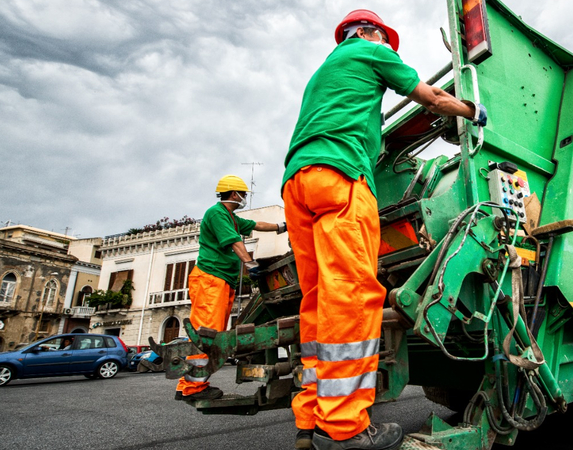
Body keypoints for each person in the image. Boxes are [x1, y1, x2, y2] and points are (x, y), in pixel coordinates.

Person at [282, 10, 487, 450]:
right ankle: (345, 429)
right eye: (387, 41)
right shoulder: (372, 51)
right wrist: (474, 110)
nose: (389, 49)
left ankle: (311, 419)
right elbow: (430, 97)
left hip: (298, 184)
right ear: (371, 33)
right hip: (341, 178)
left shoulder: (324, 72)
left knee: (317, 302)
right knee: (352, 295)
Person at [175, 175, 286, 401]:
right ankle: (191, 388)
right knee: (206, 333)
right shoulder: (216, 214)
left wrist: (283, 226)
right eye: (243, 195)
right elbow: (234, 241)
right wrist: (250, 262)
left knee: (211, 333)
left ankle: (187, 384)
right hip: (210, 279)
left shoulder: (231, 218)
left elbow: (256, 225)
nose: (244, 198)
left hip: (220, 280)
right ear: (234, 194)